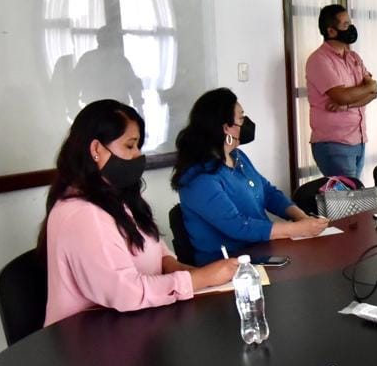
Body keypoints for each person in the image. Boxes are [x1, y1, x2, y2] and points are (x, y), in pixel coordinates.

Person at [39, 100, 239, 326]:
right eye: (129, 146)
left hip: (134, 324)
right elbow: (126, 292)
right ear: (96, 149)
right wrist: (201, 278)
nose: (138, 155)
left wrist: (190, 274)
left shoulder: (118, 196)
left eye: (139, 146)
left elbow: (157, 251)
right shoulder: (81, 214)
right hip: (88, 339)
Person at [172, 88, 328, 265]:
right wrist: (297, 229)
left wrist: (301, 217)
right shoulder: (198, 177)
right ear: (226, 128)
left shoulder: (237, 157)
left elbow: (268, 193)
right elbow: (237, 226)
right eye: (241, 118)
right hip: (228, 265)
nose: (246, 123)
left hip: (262, 251)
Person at [305, 4, 377, 179]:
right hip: (334, 143)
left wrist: (348, 105)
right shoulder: (319, 59)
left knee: (353, 192)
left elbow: (374, 92)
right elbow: (341, 96)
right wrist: (367, 87)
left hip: (358, 139)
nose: (351, 28)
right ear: (331, 31)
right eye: (345, 25)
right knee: (347, 194)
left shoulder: (353, 57)